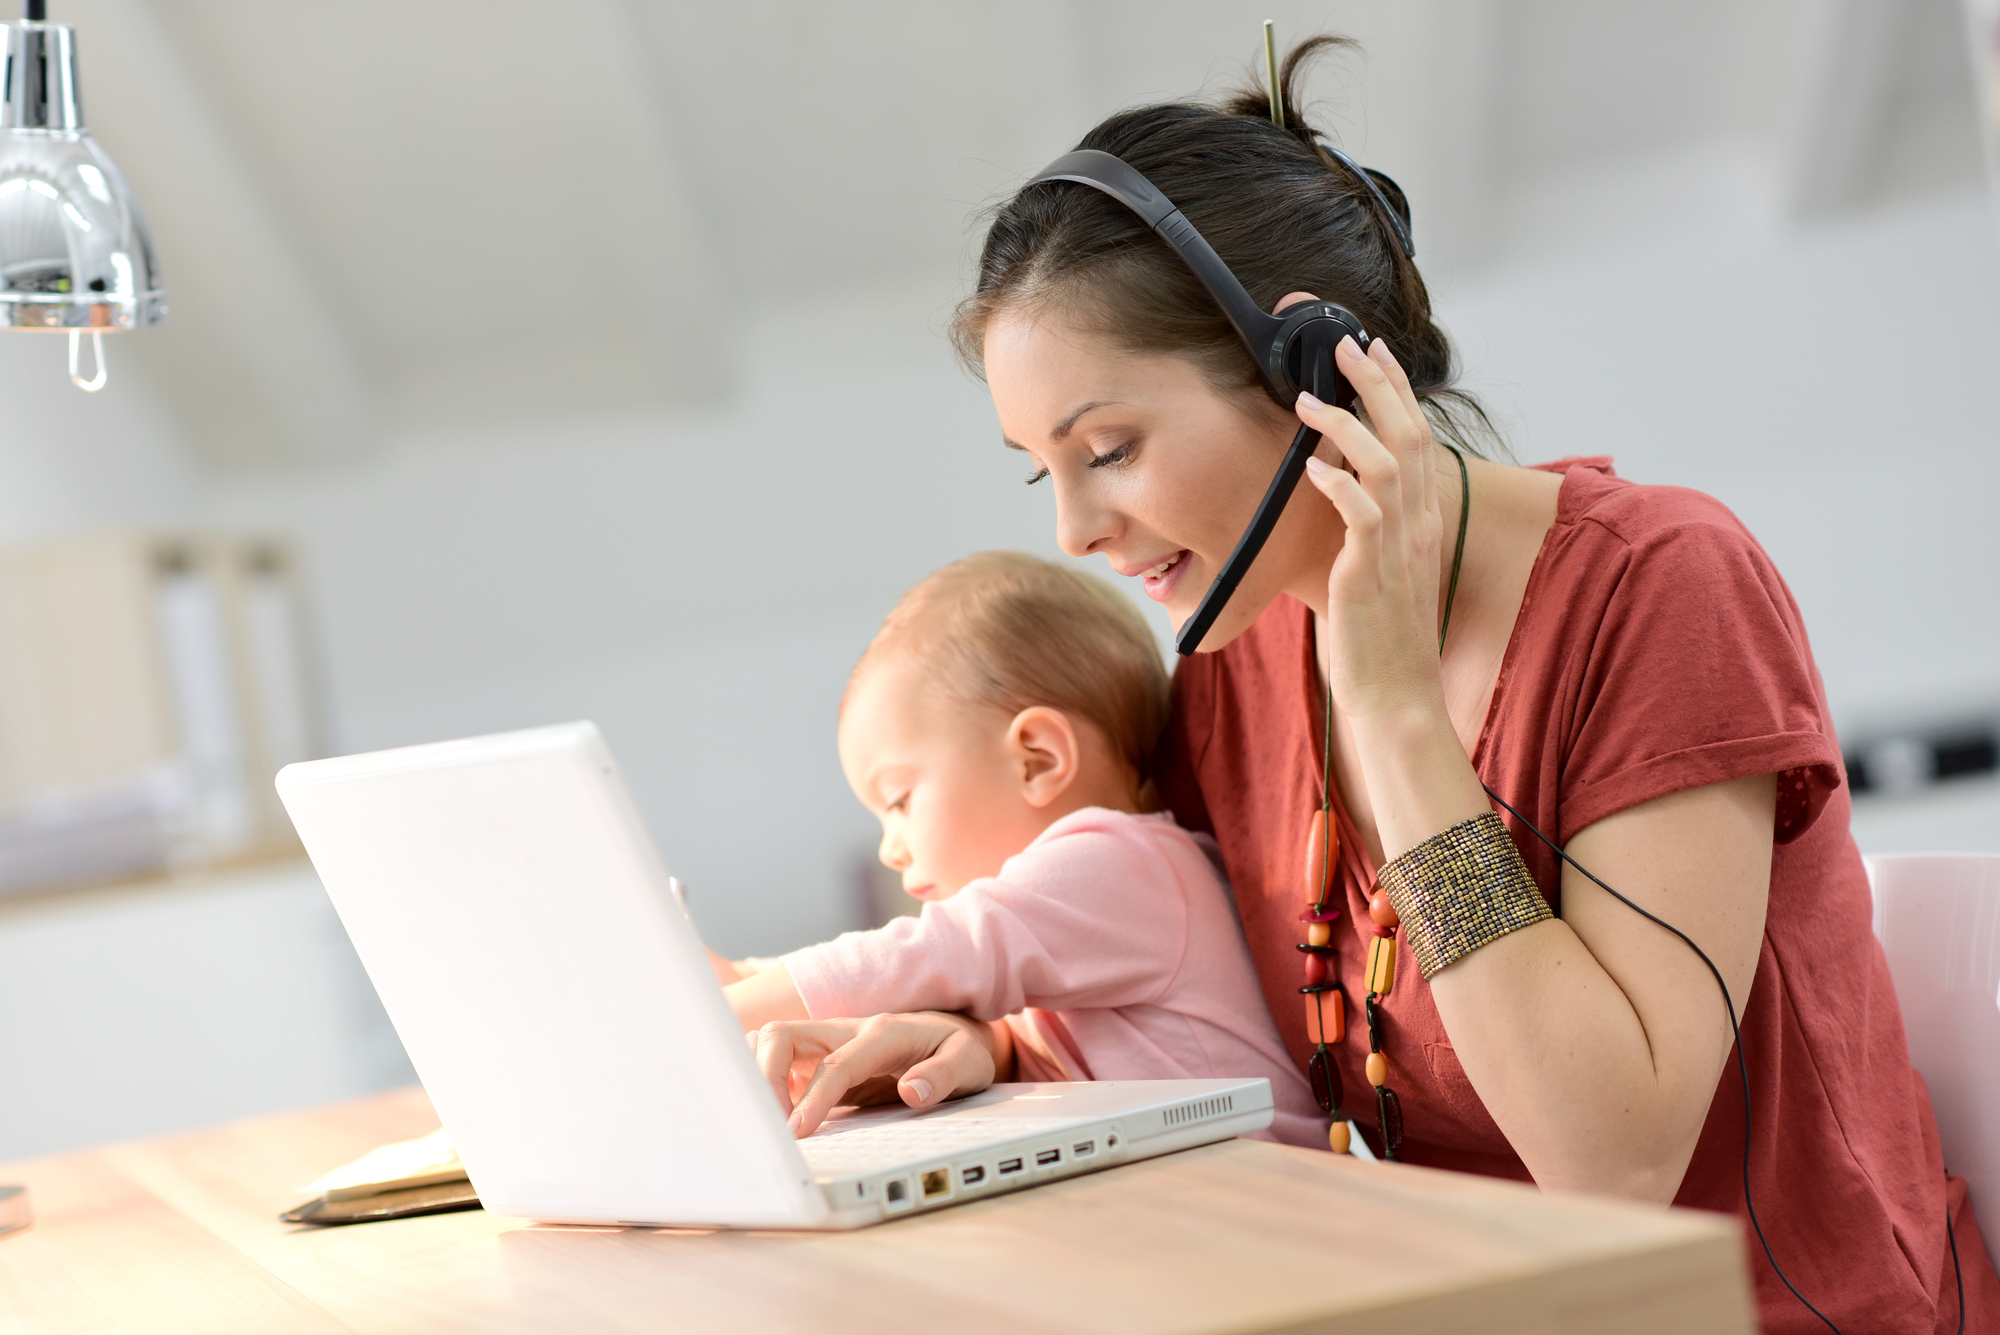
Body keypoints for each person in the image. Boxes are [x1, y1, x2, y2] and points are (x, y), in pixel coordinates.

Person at [744, 35, 2000, 1334]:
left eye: (1108, 448)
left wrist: (1398, 713)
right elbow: (1158, 962)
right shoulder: (1240, 653)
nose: (1072, 529)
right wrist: (986, 1039)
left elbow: (1610, 1153)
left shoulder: (1662, 589)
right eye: (1040, 470)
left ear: (1314, 370)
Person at [712, 551, 1320, 1143]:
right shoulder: (1065, 931)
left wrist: (705, 1006)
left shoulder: (1124, 864)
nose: (889, 851)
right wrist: (738, 978)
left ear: (1037, 759)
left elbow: (930, 953)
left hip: (1276, 1206)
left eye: (898, 802)